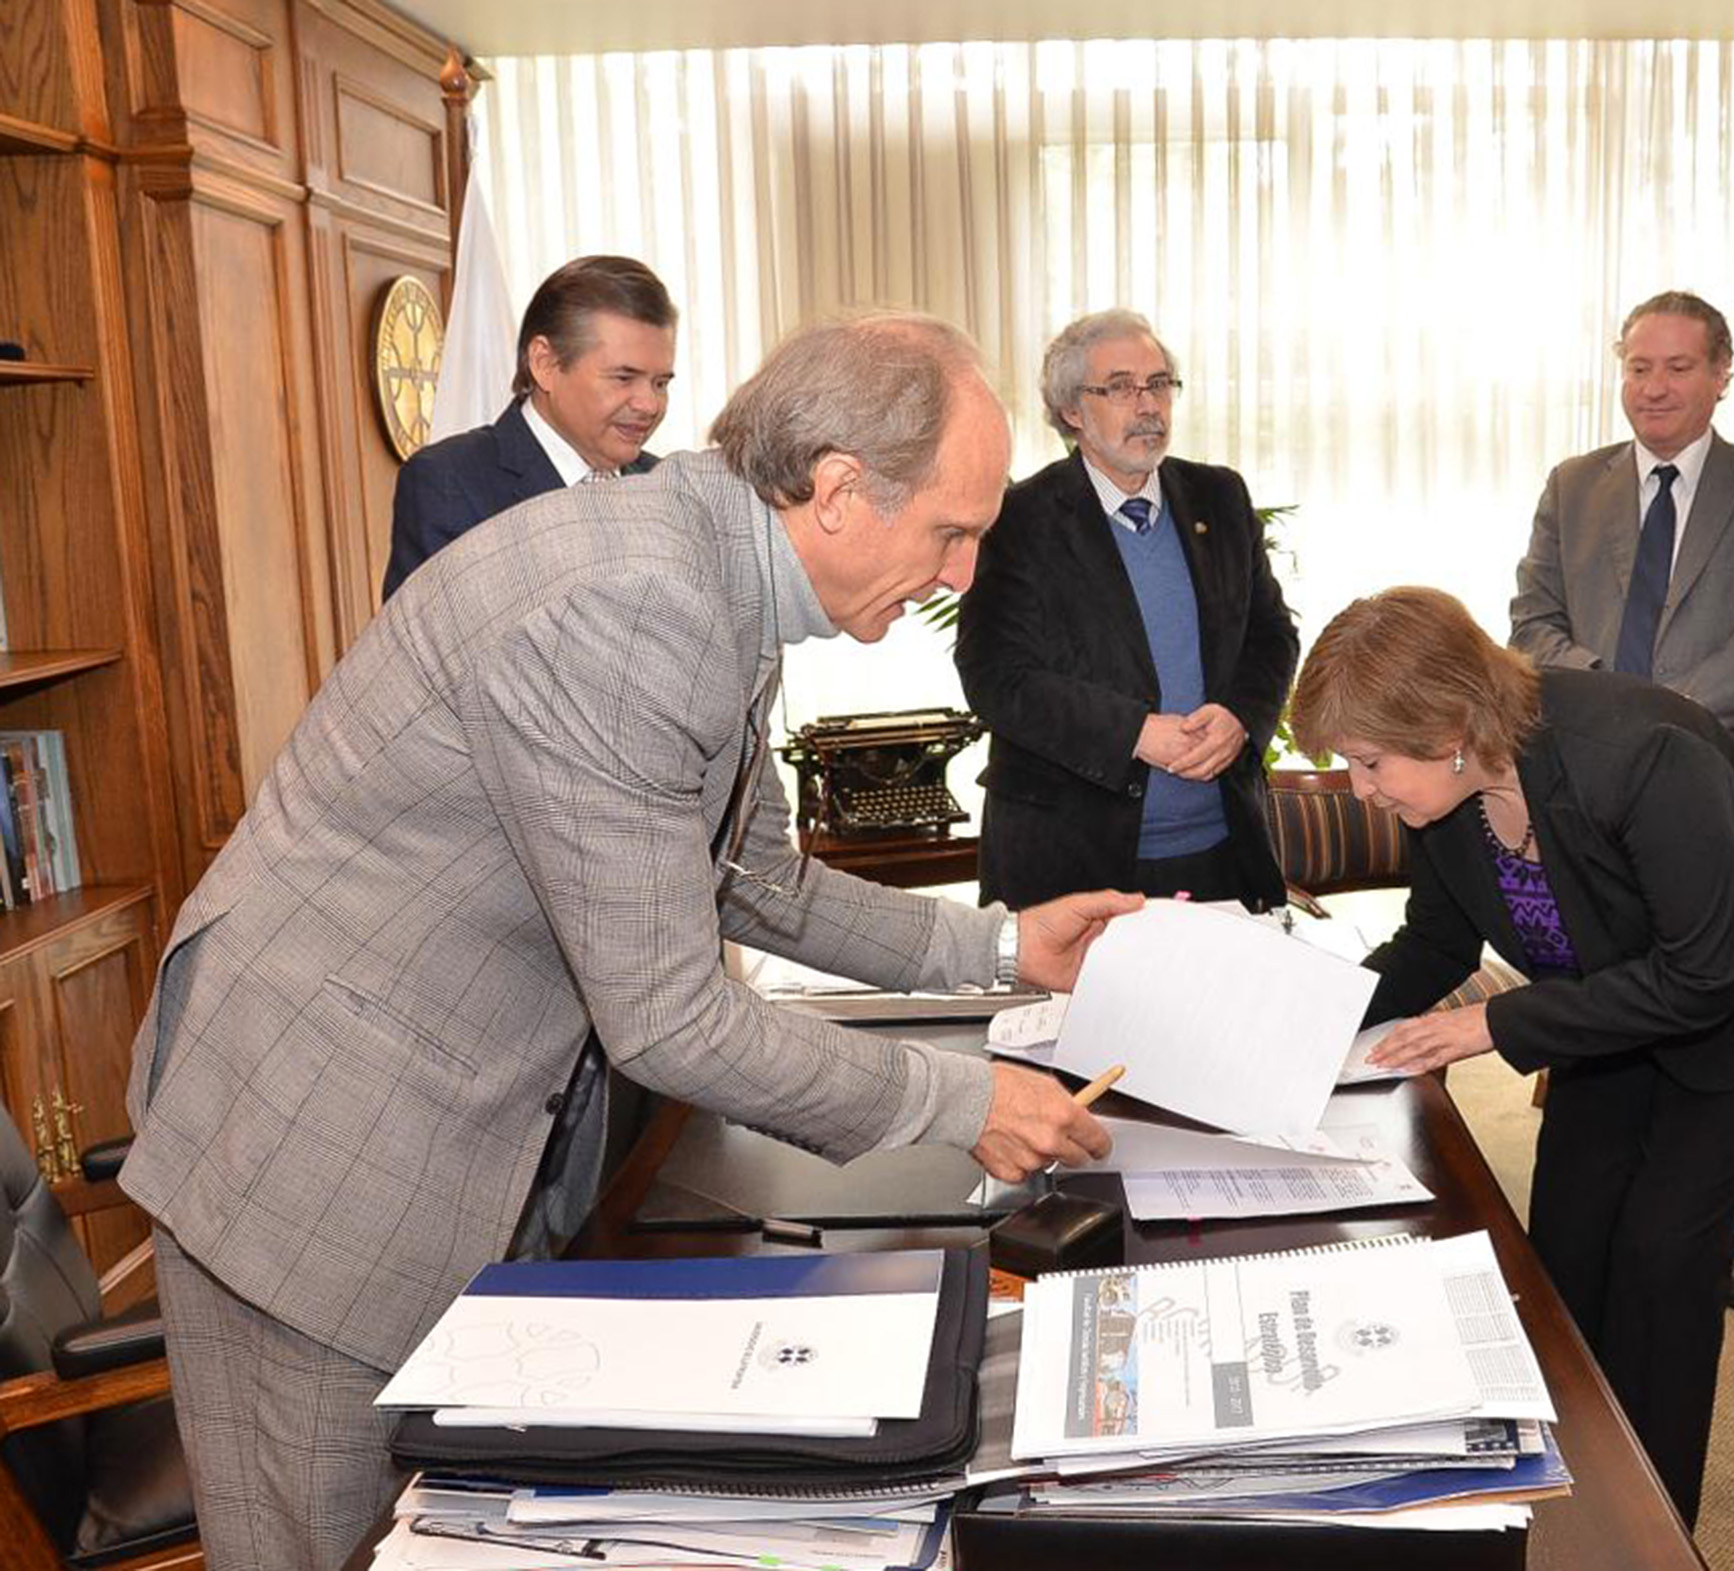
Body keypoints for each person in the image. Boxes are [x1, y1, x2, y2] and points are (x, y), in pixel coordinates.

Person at [121, 311, 1135, 1571]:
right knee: (328, 1551)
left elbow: (751, 878)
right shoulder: (636, 604)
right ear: (836, 492)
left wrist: (1003, 953)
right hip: (318, 1139)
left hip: (452, 1112)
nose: (963, 572)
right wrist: (962, 1095)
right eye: (953, 530)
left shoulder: (710, 567)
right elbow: (669, 1017)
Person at [1291, 587, 1734, 1528]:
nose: (1361, 788)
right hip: (1604, 997)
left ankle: (1647, 1522)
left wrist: (1497, 1027)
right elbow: (1433, 945)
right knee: (1564, 1236)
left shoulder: (1642, 757)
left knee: (1662, 1251)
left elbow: (1700, 977)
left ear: (1451, 727)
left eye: (1368, 761)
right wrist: (1299, 1028)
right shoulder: (1447, 796)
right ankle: (1569, 1470)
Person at [1508, 289, 1734, 1315]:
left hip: (1725, 780)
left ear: (1722, 373)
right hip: (1589, 793)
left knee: (1709, 1010)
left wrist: (1659, 718)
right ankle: (1597, 1219)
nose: (1654, 386)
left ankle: (1703, 1231)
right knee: (1617, 991)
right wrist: (1612, 712)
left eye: (1678, 366)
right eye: (1638, 365)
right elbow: (1532, 619)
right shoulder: (1573, 484)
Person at [955, 309, 1298, 910]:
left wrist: (1242, 717)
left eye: (1159, 384)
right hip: (1073, 860)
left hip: (1220, 849)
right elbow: (995, 678)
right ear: (1071, 411)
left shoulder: (1220, 496)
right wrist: (1133, 733)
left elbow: (1271, 635)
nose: (1148, 406)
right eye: (1119, 387)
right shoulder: (1019, 520)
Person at [383, 255, 678, 599]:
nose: (649, 405)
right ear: (545, 364)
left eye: (660, 383)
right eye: (624, 378)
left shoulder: (665, 488)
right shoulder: (450, 483)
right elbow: (426, 647)